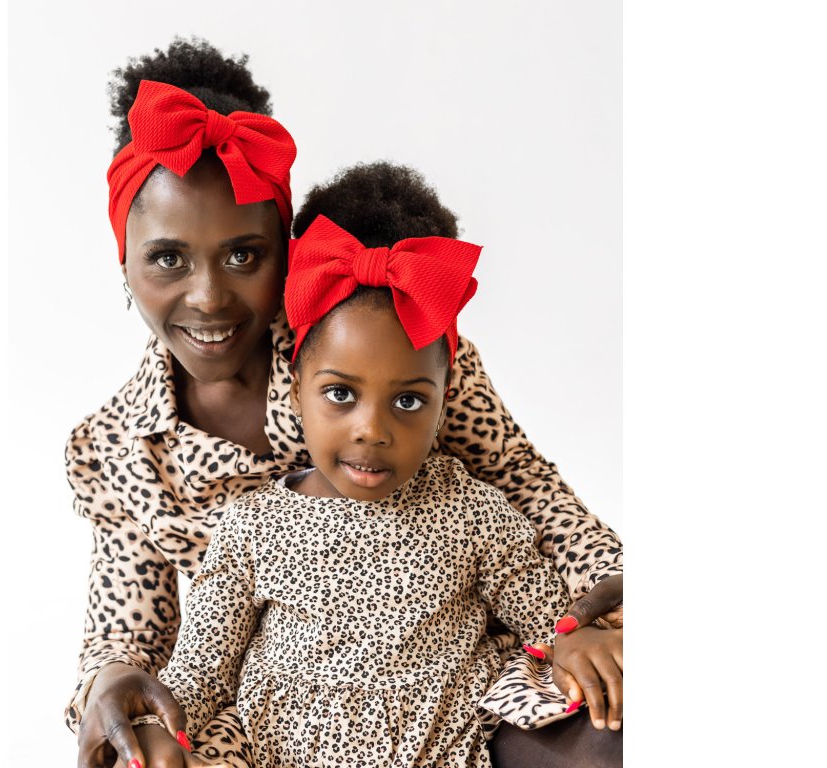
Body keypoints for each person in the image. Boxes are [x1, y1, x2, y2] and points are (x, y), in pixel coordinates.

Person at [69, 38, 623, 768]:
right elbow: (133, 634)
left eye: (245, 254)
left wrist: (601, 602)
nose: (208, 297)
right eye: (167, 257)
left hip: (450, 687)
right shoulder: (116, 449)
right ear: (124, 257)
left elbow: (522, 483)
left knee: (615, 718)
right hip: (275, 714)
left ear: (287, 248)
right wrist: (113, 684)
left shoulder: (384, 339)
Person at [134, 210, 587, 767]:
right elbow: (202, 671)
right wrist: (158, 727)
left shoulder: (473, 512)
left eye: (408, 400)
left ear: (445, 399)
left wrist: (580, 637)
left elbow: (551, 623)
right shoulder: (252, 527)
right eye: (341, 394)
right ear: (296, 390)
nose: (372, 429)